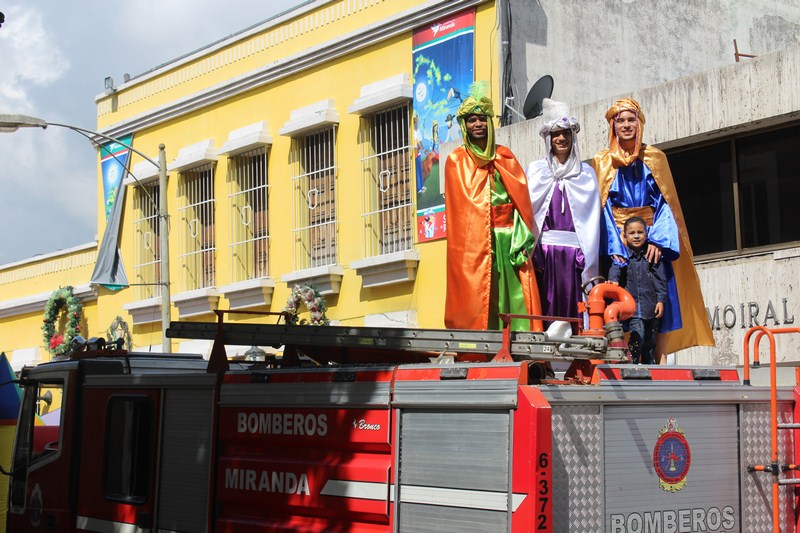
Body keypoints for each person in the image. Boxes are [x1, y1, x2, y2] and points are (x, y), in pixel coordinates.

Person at [591, 97, 714, 361]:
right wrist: (616, 247)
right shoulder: (601, 162)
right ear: (612, 126)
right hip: (618, 247)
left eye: (631, 120)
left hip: (650, 245)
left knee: (659, 301)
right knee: (617, 303)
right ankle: (621, 357)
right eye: (620, 120)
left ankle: (659, 360)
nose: (626, 125)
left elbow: (666, 204)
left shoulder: (655, 158)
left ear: (640, 123)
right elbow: (600, 209)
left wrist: (656, 241)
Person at [444, 84, 543, 332]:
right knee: (482, 295)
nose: (477, 124)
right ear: (464, 125)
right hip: (476, 245)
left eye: (482, 119)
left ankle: (521, 345)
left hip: (509, 239)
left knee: (515, 297)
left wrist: (519, 237)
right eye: (471, 120)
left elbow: (522, 204)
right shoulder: (456, 161)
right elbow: (461, 215)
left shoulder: (505, 156)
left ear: (489, 123)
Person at [526, 99, 600, 326]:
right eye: (556, 134)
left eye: (565, 133)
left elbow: (592, 221)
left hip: (574, 256)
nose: (561, 138)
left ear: (572, 136)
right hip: (545, 254)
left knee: (574, 310)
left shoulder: (586, 173)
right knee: (545, 310)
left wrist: (587, 256)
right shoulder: (536, 171)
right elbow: (529, 213)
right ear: (549, 138)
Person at [608, 217, 667, 364]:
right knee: (637, 335)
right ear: (625, 236)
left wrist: (660, 300)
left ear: (646, 234)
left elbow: (660, 279)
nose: (636, 236)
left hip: (650, 305)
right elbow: (615, 268)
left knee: (651, 340)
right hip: (633, 308)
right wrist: (613, 280)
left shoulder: (651, 255)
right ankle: (633, 363)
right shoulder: (623, 255)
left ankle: (649, 365)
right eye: (631, 233)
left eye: (640, 232)